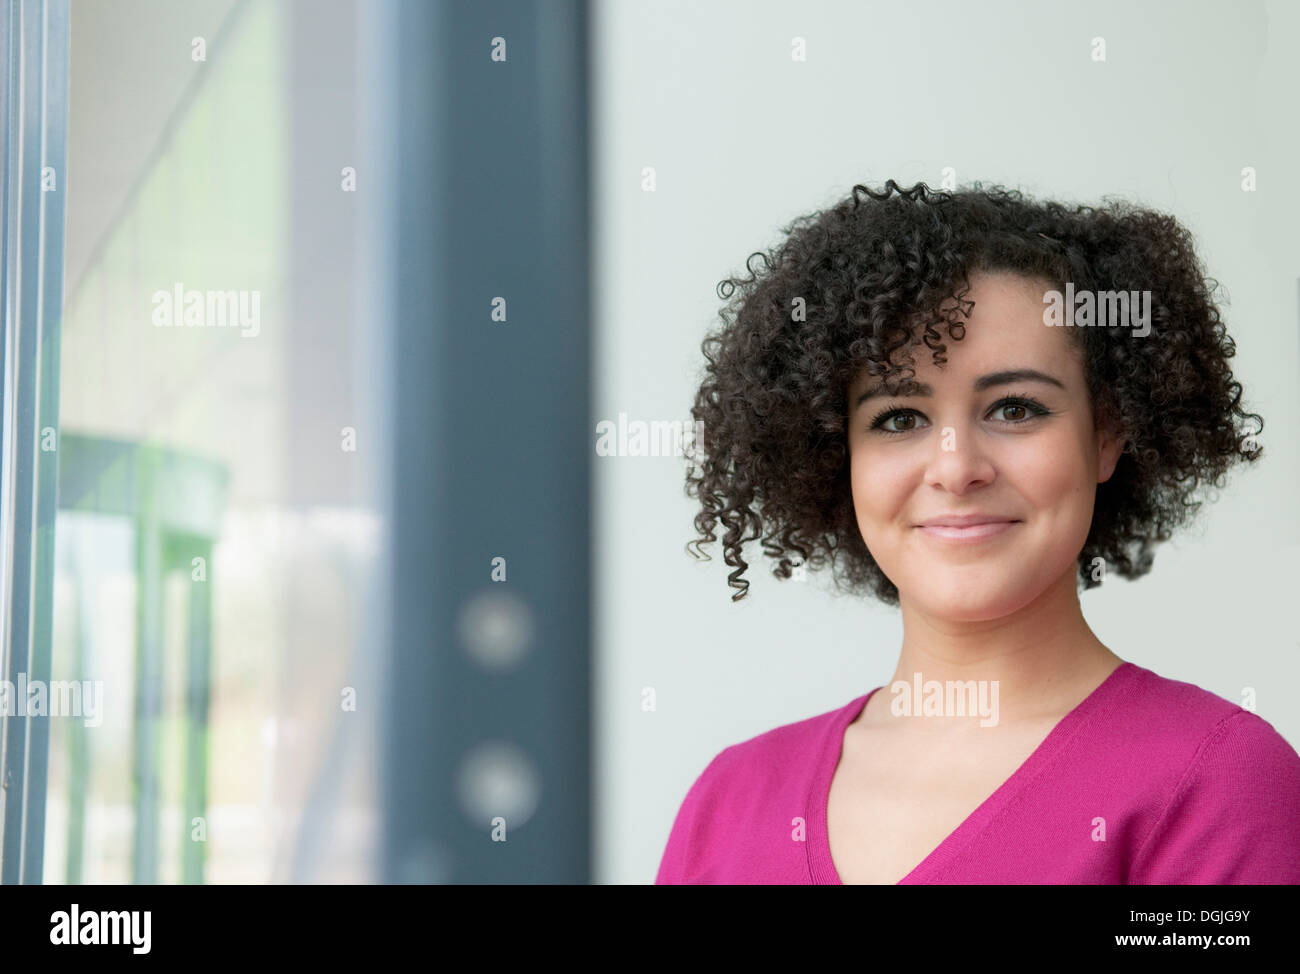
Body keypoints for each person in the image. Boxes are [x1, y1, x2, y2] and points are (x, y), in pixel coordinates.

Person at [657, 180, 1300, 884]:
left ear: (1108, 433)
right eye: (898, 418)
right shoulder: (731, 801)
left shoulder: (1217, 784)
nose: (957, 467)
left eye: (1017, 408)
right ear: (836, 453)